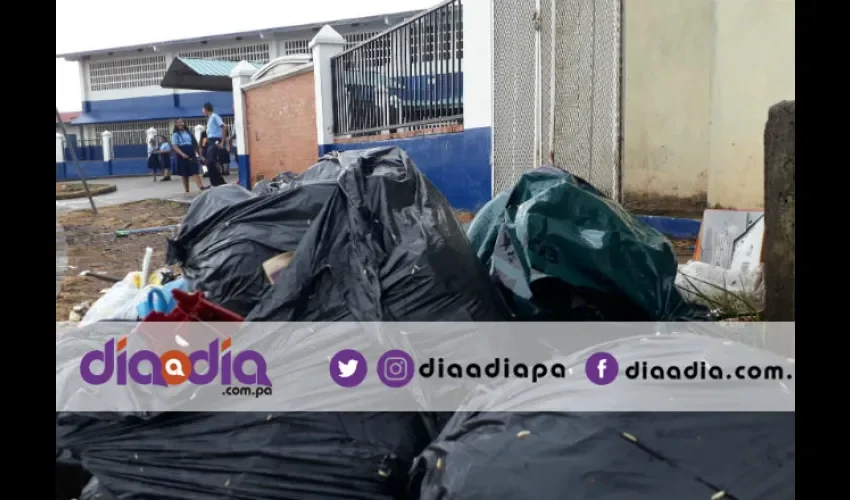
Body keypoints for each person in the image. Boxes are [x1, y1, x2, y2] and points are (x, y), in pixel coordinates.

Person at [171, 119, 208, 193]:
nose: (180, 124)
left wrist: (200, 156)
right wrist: (182, 153)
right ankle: (187, 191)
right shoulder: (175, 134)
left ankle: (201, 186)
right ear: (176, 125)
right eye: (178, 123)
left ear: (184, 123)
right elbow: (174, 146)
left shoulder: (189, 133)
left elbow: (196, 146)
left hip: (191, 152)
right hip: (181, 154)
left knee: (194, 170)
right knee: (184, 174)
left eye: (181, 122)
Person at [202, 102, 227, 187]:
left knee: (210, 162)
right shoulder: (210, 119)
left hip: (215, 140)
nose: (202, 111)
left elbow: (223, 127)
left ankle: (217, 182)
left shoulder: (215, 116)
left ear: (206, 109)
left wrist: (222, 142)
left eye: (203, 109)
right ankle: (216, 182)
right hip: (210, 141)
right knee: (210, 162)